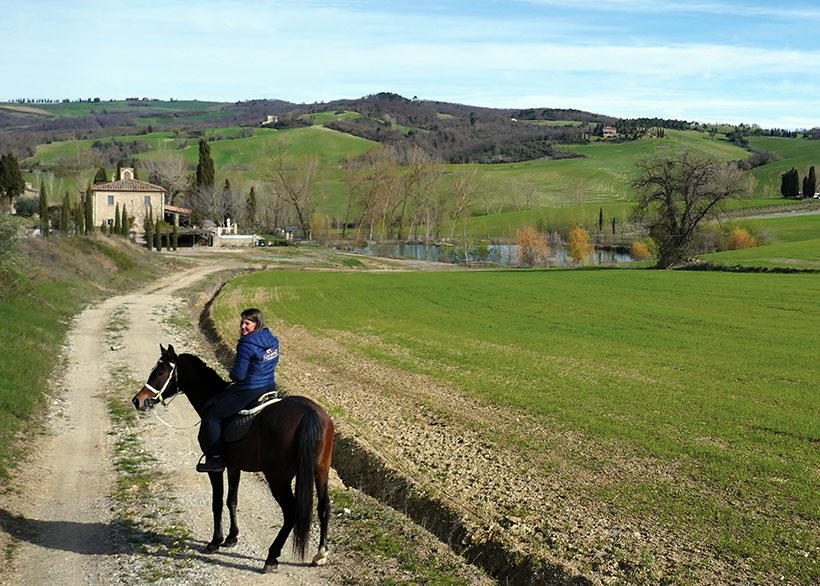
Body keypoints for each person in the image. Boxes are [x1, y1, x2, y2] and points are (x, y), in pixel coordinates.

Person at [196, 308, 279, 473]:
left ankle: (217, 459)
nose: (243, 326)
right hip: (269, 385)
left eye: (247, 323)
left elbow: (239, 376)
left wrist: (232, 374)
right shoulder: (272, 340)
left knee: (213, 416)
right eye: (242, 322)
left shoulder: (247, 344)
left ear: (256, 324)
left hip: (250, 389)